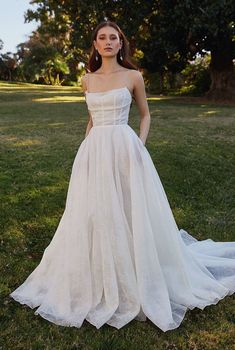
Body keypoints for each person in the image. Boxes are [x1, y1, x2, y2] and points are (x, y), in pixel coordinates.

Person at [9, 20, 235, 332]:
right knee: (95, 211)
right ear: (95, 44)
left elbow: (145, 115)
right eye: (102, 37)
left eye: (113, 37)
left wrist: (139, 147)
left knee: (130, 207)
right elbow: (90, 120)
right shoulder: (87, 80)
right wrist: (86, 150)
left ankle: (138, 269)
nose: (107, 42)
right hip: (94, 150)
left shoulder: (133, 76)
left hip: (126, 147)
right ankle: (101, 271)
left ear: (120, 43)